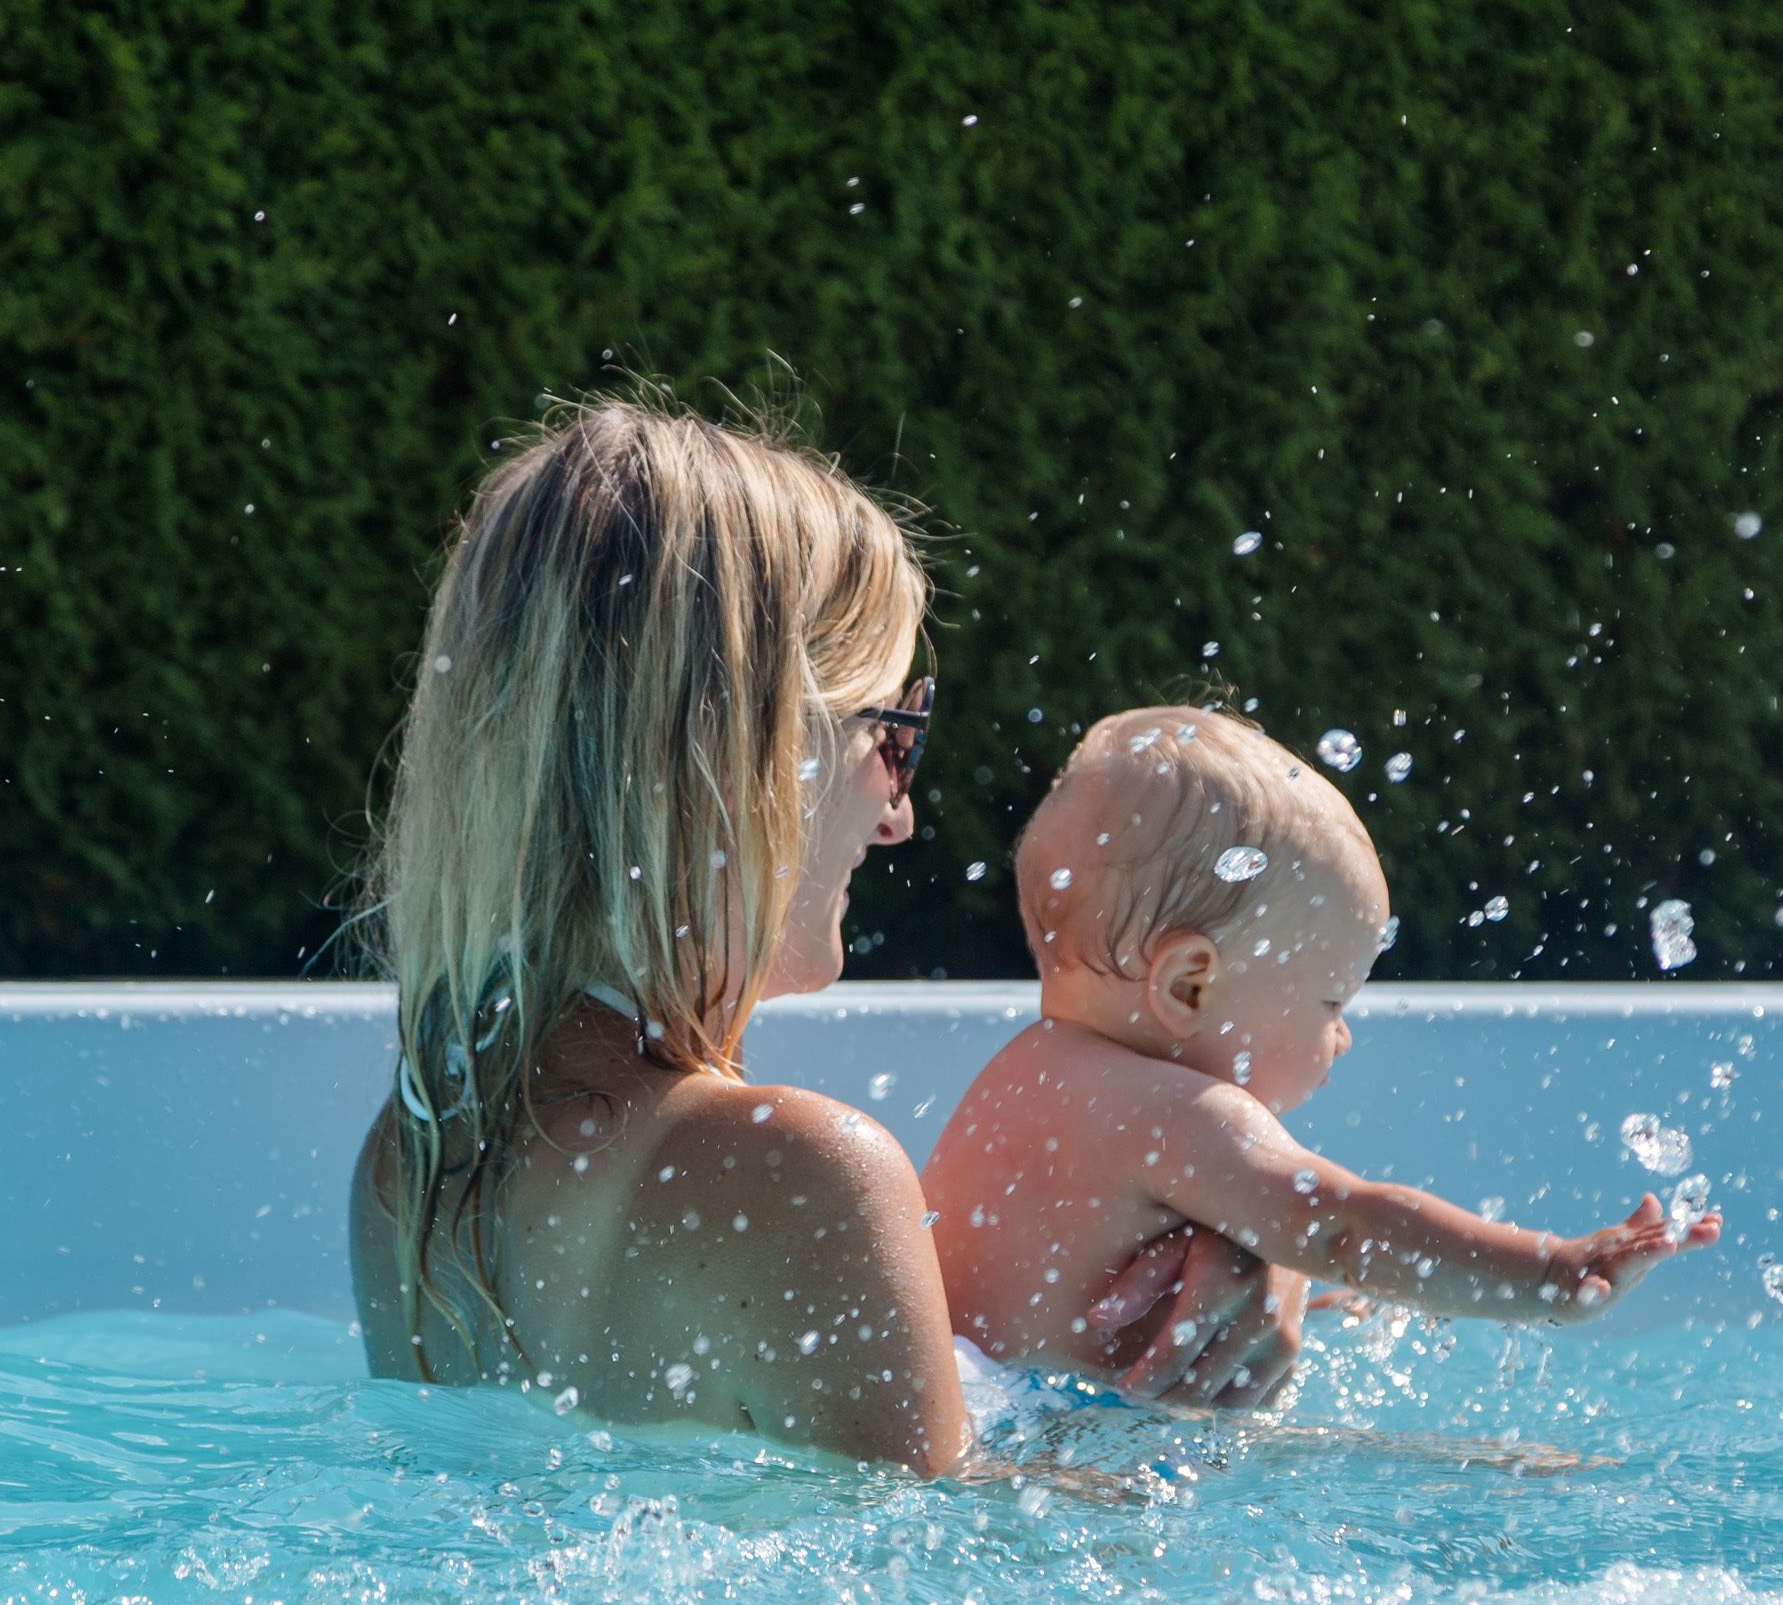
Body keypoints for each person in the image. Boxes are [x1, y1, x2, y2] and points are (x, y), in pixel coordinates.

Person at [344, 402, 1297, 1473]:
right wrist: (1192, 1430)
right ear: (740, 753)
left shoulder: (416, 1160)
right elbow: (960, 1578)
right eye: (894, 738)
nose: (900, 815)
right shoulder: (798, 1172)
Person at [923, 706, 1715, 1378]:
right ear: (1189, 985)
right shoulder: (1180, 1113)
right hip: (1066, 1469)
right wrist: (1550, 1271)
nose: (1343, 1035)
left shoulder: (1018, 1078)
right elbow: (1347, 1227)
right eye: (1331, 1000)